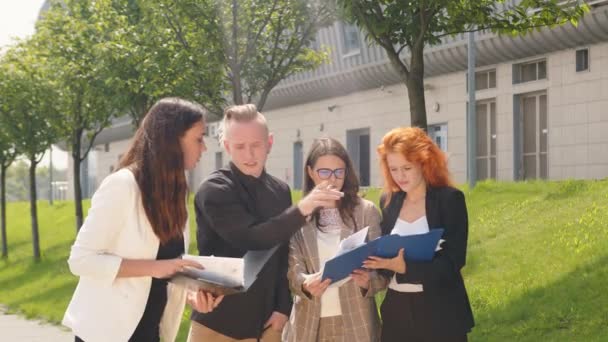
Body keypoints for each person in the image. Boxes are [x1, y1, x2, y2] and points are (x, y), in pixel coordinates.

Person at [62, 98, 223, 342]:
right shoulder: (122, 186)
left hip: (151, 330)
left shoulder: (176, 193)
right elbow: (81, 260)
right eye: (199, 139)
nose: (204, 148)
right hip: (108, 333)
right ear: (173, 139)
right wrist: (156, 268)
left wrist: (193, 295)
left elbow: (169, 269)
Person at [189, 104, 342, 342]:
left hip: (267, 324)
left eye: (256, 145)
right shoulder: (215, 189)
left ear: (269, 143)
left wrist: (282, 308)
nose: (249, 154)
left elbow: (283, 254)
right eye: (240, 146)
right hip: (217, 323)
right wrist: (303, 208)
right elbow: (253, 238)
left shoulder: (280, 190)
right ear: (227, 147)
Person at [363, 126, 475, 342]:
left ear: (424, 163)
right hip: (397, 313)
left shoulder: (449, 200)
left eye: (406, 168)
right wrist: (370, 275)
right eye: (393, 169)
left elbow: (454, 261)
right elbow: (387, 259)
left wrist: (405, 267)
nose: (400, 176)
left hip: (440, 312)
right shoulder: (388, 201)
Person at [283, 138, 385, 342]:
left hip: (357, 322)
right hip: (309, 324)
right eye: (324, 172)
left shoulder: (366, 212)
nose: (332, 179)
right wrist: (305, 284)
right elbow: (292, 273)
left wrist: (367, 282)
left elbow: (383, 272)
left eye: (339, 171)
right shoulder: (299, 216)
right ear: (311, 172)